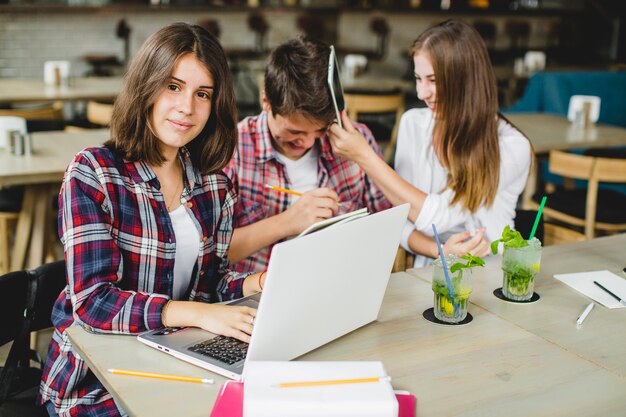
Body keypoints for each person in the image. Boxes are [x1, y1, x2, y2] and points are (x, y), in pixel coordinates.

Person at [39, 23, 264, 417]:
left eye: (203, 94)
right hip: (94, 381)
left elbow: (209, 287)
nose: (187, 108)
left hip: (175, 361)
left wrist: (257, 283)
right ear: (146, 85)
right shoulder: (94, 173)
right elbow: (94, 303)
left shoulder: (214, 185)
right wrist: (196, 312)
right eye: (173, 87)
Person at [329, 19, 531, 267]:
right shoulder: (413, 124)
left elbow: (439, 217)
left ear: (467, 81)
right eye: (418, 79)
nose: (421, 93)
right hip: (429, 272)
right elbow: (401, 218)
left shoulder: (511, 146)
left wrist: (365, 157)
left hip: (490, 273)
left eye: (433, 80)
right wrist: (440, 251)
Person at [223, 35, 391, 273]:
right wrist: (287, 222)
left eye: (320, 129)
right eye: (295, 131)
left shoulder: (354, 141)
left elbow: (386, 226)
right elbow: (209, 256)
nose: (309, 141)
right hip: (257, 293)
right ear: (266, 102)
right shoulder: (234, 148)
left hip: (339, 281)